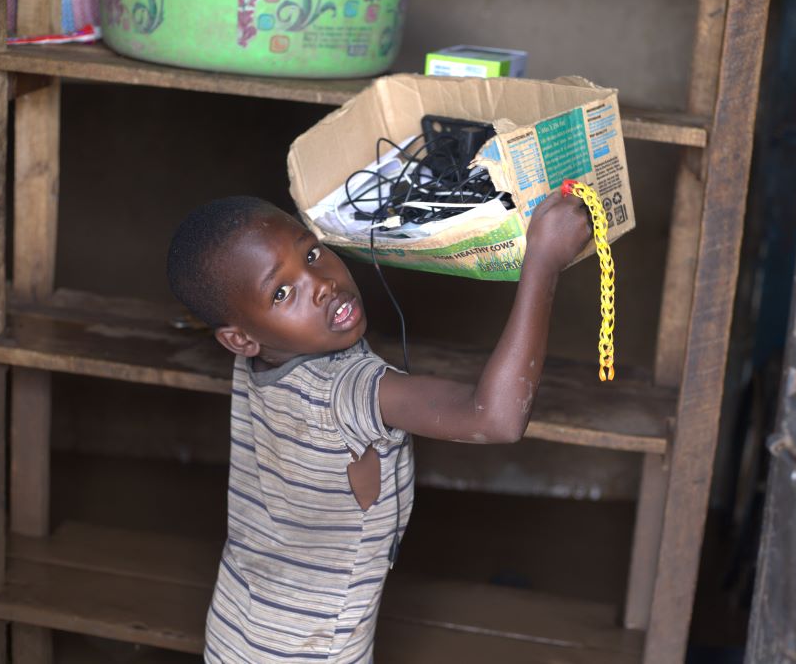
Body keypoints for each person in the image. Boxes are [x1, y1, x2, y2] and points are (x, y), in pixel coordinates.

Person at [166, 192, 592, 663]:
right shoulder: (344, 388)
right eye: (282, 292)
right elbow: (495, 418)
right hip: (312, 649)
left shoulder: (261, 358)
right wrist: (543, 264)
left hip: (240, 621)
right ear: (240, 338)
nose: (321, 283)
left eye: (311, 253)